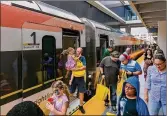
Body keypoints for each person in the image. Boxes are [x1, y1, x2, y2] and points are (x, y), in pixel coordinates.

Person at [69, 47, 86, 114]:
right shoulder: (73, 58)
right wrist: (71, 79)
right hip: (74, 78)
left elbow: (84, 66)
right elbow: (72, 70)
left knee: (81, 92)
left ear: (81, 52)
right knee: (71, 92)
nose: (77, 52)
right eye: (77, 51)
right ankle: (67, 104)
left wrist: (77, 69)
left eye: (79, 51)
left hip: (81, 78)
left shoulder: (83, 58)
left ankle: (81, 106)